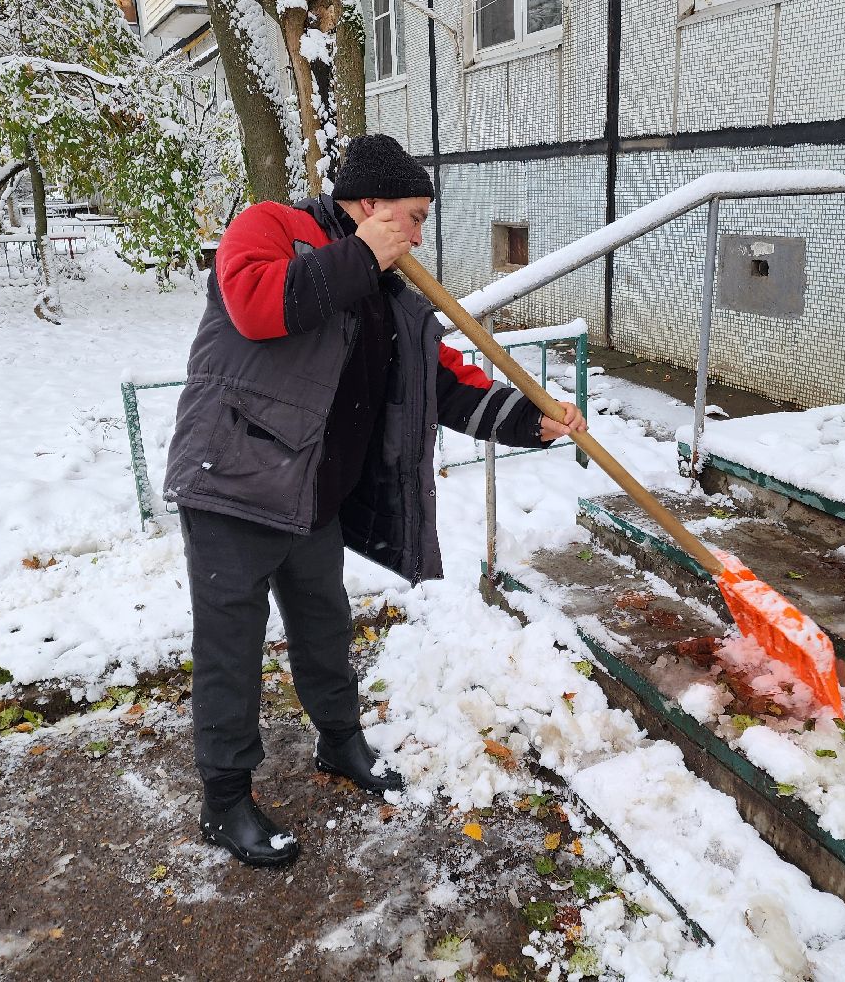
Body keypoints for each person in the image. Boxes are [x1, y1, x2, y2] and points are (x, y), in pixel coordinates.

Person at [162, 135, 584, 868]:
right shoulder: (269, 228)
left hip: (312, 499)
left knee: (325, 628)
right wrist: (362, 255)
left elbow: (443, 384)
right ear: (370, 206)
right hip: (232, 485)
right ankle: (225, 799)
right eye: (413, 216)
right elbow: (260, 306)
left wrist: (527, 418)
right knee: (229, 651)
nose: (421, 235)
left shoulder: (392, 296)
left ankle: (339, 742)